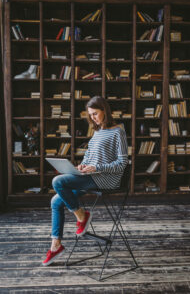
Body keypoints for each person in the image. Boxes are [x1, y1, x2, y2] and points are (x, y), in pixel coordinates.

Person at [42, 96, 128, 266]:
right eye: (90, 115)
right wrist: (82, 166)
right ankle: (55, 245)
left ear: (105, 110)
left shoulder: (118, 131)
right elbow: (89, 157)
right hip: (90, 176)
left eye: (95, 113)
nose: (93, 117)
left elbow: (122, 163)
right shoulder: (96, 132)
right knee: (55, 201)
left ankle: (82, 215)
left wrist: (97, 168)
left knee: (58, 182)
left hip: (104, 179)